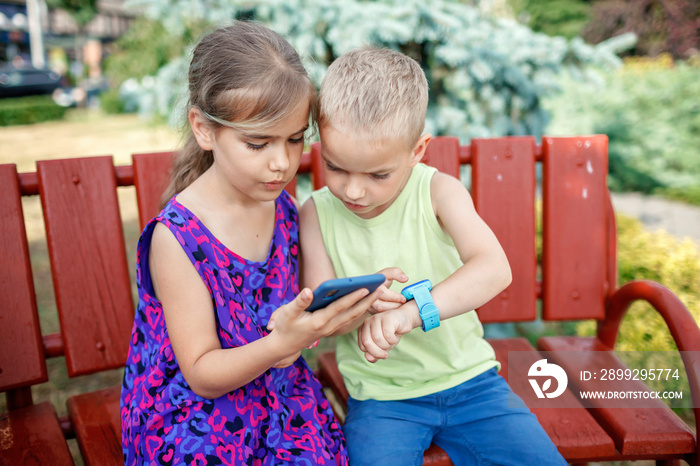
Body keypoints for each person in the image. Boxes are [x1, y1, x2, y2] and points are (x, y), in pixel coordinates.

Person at [120, 22, 381, 465]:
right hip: (194, 417)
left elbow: (301, 307)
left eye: (295, 139)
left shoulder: (280, 204)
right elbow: (201, 375)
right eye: (257, 143)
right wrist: (282, 345)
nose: (282, 163)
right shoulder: (177, 237)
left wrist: (350, 304)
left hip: (280, 395)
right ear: (204, 129)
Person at [299, 46, 567, 465]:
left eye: (378, 174)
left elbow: (494, 269)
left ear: (417, 150)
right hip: (383, 398)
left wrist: (409, 313)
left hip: (472, 383)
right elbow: (323, 314)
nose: (353, 190)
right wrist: (363, 306)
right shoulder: (315, 213)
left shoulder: (438, 192)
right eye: (335, 167)